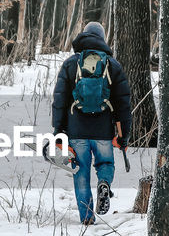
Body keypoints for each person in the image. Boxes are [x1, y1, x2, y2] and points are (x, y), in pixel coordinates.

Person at [51, 21, 133, 224]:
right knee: (105, 163)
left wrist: (58, 130)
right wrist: (124, 135)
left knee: (80, 171)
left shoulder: (71, 63)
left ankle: (87, 217)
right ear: (103, 39)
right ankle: (104, 183)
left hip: (76, 130)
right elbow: (123, 104)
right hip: (103, 130)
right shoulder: (113, 65)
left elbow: (60, 99)